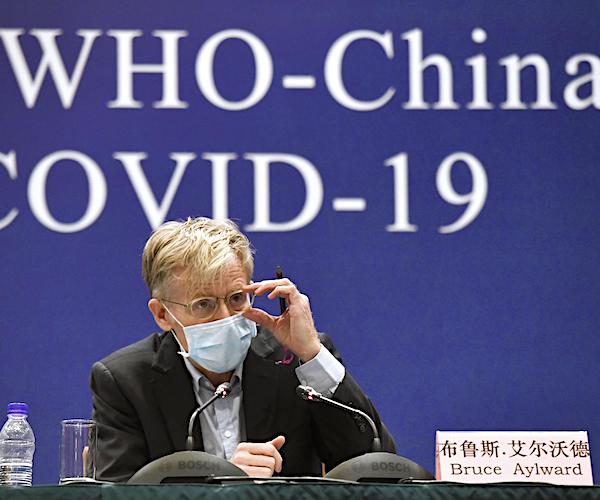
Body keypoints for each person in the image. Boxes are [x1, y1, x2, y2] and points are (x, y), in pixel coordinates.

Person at [90, 217, 395, 482]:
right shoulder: (125, 380)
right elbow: (119, 491)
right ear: (162, 315)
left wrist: (312, 353)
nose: (226, 317)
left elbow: (374, 463)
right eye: (204, 304)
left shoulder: (294, 361)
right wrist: (220, 484)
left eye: (237, 298)